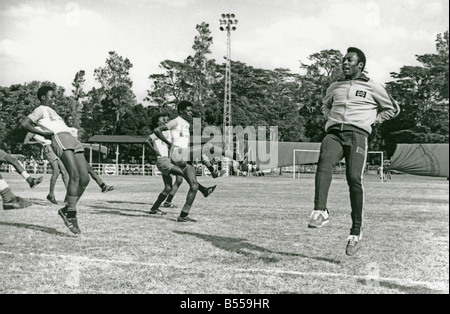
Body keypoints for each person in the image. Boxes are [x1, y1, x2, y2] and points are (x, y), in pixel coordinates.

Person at [308, 47, 400, 256]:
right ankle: (320, 210)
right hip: (334, 134)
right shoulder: (335, 86)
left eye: (349, 60)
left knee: (353, 179)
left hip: (357, 136)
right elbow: (325, 105)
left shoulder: (374, 87)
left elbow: (393, 109)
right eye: (343, 60)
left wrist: (373, 120)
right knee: (324, 162)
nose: (345, 63)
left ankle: (355, 233)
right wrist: (329, 117)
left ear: (360, 65)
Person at [21, 86, 90, 234]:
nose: (54, 99)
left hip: (71, 139)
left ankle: (66, 209)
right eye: (51, 97)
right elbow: (25, 124)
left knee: (84, 178)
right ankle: (71, 215)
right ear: (43, 98)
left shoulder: (53, 111)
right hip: (59, 138)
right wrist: (42, 133)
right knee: (74, 176)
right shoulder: (40, 109)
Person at [153, 101, 221, 222]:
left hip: (184, 156)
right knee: (207, 147)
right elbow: (157, 130)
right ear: (181, 111)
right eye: (188, 111)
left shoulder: (186, 124)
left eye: (191, 110)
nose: (191, 113)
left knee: (193, 186)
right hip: (177, 155)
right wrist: (170, 144)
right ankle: (220, 168)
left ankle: (183, 215)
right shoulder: (175, 121)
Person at [64, 115, 114, 193]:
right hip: (70, 154)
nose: (71, 121)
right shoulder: (63, 130)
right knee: (74, 175)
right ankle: (69, 196)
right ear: (65, 121)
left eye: (72, 119)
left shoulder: (75, 130)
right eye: (69, 120)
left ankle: (103, 186)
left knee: (88, 170)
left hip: (77, 153)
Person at [24, 127, 69, 204]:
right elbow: (25, 142)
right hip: (48, 149)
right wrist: (38, 143)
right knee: (56, 172)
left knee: (64, 171)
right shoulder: (32, 130)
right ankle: (51, 195)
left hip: (56, 147)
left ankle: (69, 194)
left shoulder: (44, 127)